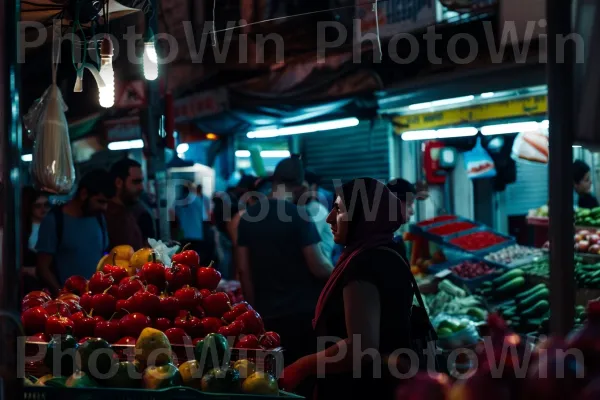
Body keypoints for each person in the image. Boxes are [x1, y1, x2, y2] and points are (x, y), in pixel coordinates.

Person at [281, 178, 423, 399]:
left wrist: (301, 366)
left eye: (338, 210)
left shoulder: (363, 265)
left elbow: (361, 348)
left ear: (362, 216)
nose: (329, 218)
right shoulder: (389, 252)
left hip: (361, 389)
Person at [235, 156, 334, 366]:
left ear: (273, 181)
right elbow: (318, 266)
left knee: (273, 375)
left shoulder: (247, 218)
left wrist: (255, 311)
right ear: (300, 186)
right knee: (302, 373)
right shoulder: (300, 215)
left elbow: (243, 270)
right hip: (301, 315)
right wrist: (341, 272)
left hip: (266, 314)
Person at [36, 170, 112, 293]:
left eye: (107, 203)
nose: (104, 208)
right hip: (67, 303)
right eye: (100, 201)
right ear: (83, 194)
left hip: (96, 299)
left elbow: (103, 255)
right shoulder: (54, 221)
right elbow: (43, 268)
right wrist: (62, 294)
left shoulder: (99, 219)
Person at [106, 158, 145, 250]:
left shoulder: (127, 210)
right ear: (118, 182)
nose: (141, 187)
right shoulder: (110, 214)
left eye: (141, 182)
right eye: (136, 182)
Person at [296, 171, 335, 262]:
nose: (296, 191)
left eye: (301, 188)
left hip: (320, 265)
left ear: (313, 187)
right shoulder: (301, 209)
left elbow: (307, 240)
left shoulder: (316, 209)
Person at [174, 182, 216, 263]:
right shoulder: (197, 199)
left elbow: (176, 216)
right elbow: (204, 216)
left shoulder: (178, 200)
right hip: (197, 233)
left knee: (185, 258)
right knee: (196, 257)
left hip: (184, 234)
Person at [21, 187, 51, 292]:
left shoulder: (53, 227)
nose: (43, 209)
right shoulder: (23, 229)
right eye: (38, 206)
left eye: (46, 205)